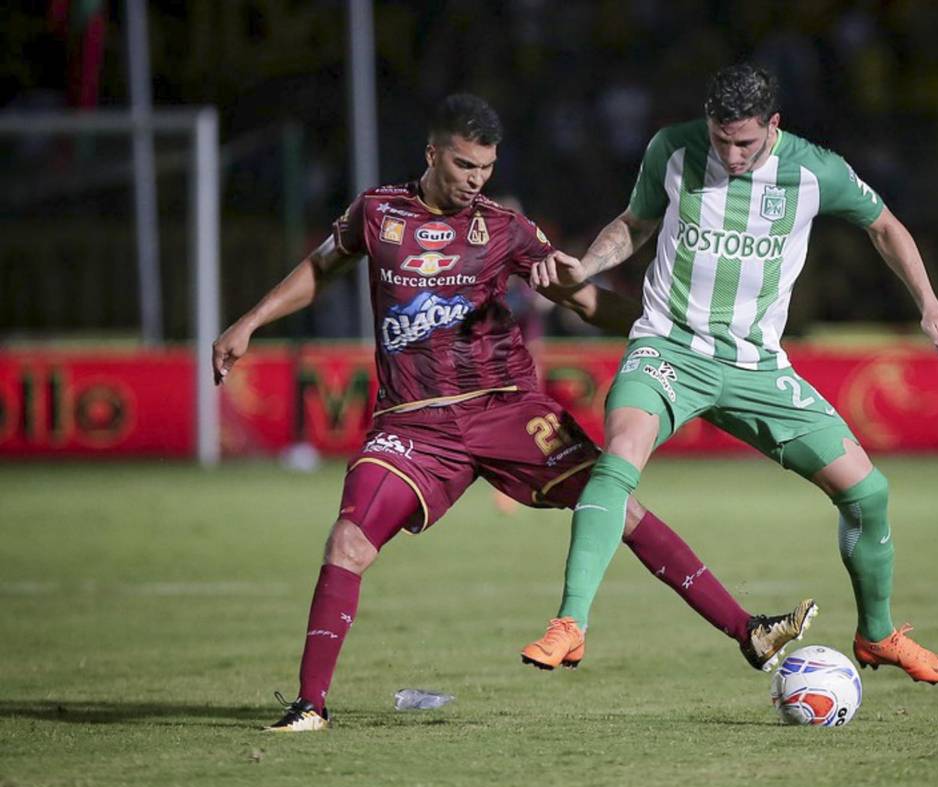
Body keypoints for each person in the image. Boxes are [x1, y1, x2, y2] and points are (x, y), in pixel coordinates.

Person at [212, 94, 817, 732]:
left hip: (508, 410)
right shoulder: (378, 212)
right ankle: (311, 706)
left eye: (485, 168)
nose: (476, 180)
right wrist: (249, 322)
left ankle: (747, 630)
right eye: (464, 165)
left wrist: (666, 332)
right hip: (414, 423)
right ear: (432, 153)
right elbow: (321, 268)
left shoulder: (504, 229)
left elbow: (582, 300)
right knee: (348, 542)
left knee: (617, 504)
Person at [525, 65, 938, 684]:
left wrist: (932, 307)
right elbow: (635, 223)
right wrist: (588, 266)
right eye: (721, 139)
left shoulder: (817, 171)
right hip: (668, 348)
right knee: (618, 458)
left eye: (747, 143)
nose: (731, 154)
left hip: (758, 364)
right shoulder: (671, 149)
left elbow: (885, 227)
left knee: (868, 493)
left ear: (774, 127)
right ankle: (569, 625)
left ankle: (878, 635)